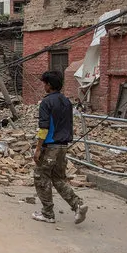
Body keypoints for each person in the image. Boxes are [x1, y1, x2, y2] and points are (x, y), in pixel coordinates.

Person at [32, 70, 88, 225]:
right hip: (63, 146)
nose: (43, 86)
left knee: (41, 178)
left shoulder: (46, 102)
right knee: (58, 178)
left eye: (44, 83)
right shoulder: (66, 101)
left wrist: (38, 148)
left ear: (49, 85)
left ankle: (47, 213)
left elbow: (43, 127)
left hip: (50, 146)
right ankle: (78, 205)